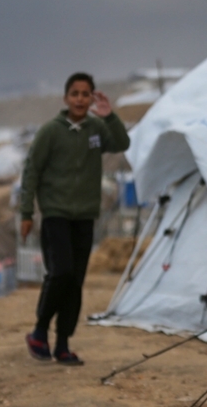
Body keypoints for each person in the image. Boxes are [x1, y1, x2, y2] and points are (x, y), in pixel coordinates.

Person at [20, 73, 130, 365]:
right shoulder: (50, 132)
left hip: (85, 215)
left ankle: (63, 345)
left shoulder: (96, 128)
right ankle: (39, 331)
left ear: (92, 98)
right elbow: (31, 171)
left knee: (75, 282)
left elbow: (122, 143)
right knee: (62, 272)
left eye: (86, 94)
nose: (80, 99)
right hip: (55, 213)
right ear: (66, 98)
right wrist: (26, 213)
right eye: (75, 93)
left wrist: (110, 116)